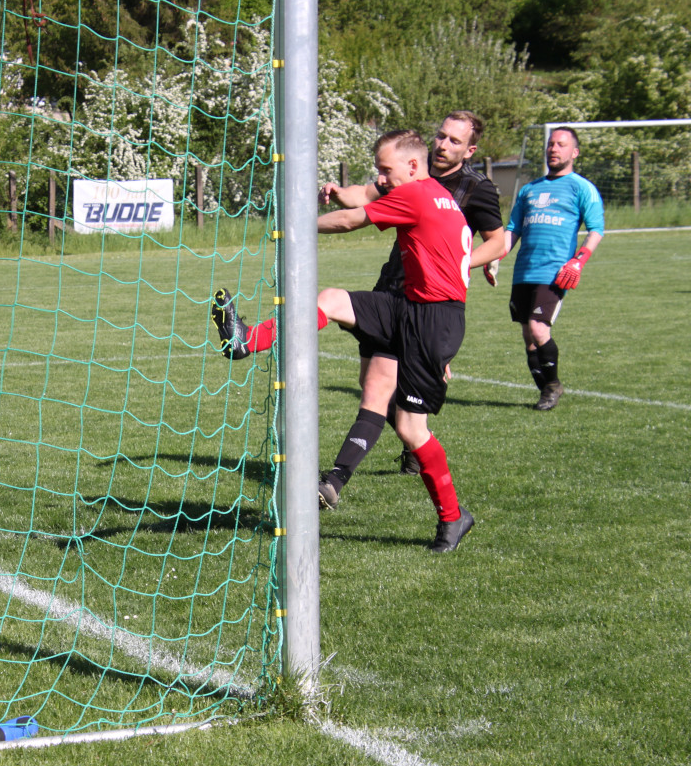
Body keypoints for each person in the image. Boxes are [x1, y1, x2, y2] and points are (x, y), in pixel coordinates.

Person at [215, 129, 504, 552]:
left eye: (386, 169)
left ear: (412, 165)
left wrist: (293, 227)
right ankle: (245, 341)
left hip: (433, 319)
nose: (382, 178)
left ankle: (453, 517)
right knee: (331, 301)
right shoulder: (436, 195)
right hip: (406, 304)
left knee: (410, 428)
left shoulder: (418, 193)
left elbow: (352, 219)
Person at [493, 126, 605, 410]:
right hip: (524, 271)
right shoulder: (529, 190)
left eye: (561, 144)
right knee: (528, 337)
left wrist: (578, 260)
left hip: (554, 272)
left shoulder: (581, 187)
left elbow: (596, 229)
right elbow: (513, 229)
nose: (554, 149)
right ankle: (547, 390)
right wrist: (495, 257)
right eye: (551, 144)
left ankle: (553, 386)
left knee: (538, 329)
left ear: (574, 152)